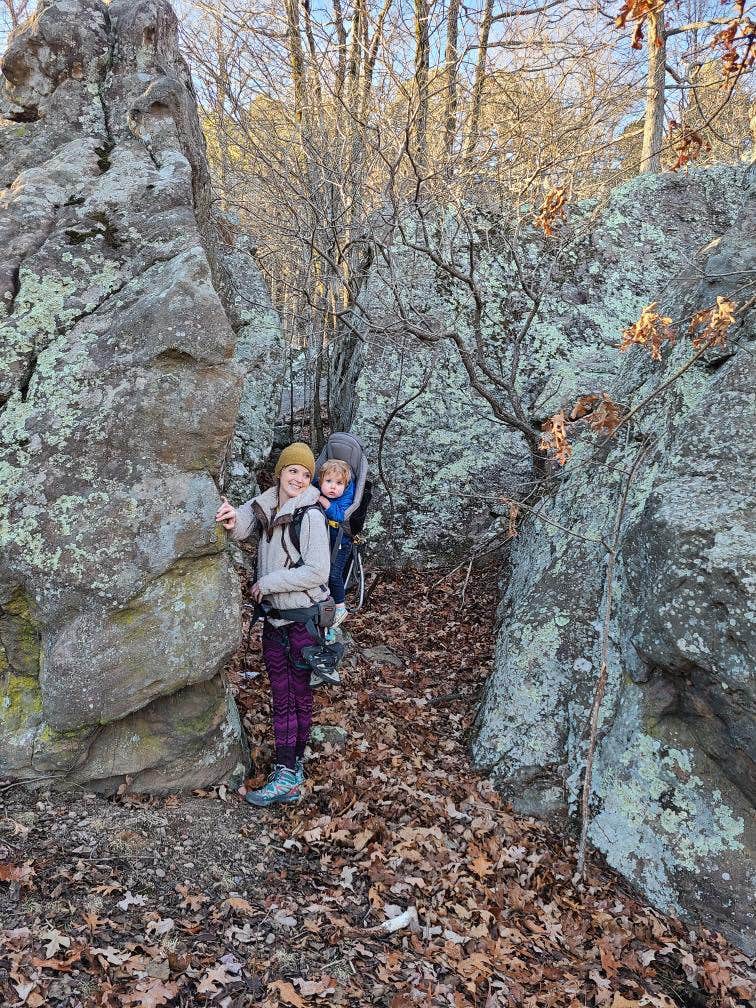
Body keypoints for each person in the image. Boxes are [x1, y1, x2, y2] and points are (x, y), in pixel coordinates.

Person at [215, 442, 330, 807]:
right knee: (284, 694)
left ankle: (288, 773)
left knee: (295, 695)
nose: (298, 478)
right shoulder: (266, 503)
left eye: (306, 474)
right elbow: (242, 524)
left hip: (301, 621)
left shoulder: (310, 515)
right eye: (293, 470)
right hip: (274, 621)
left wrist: (268, 583)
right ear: (280, 472)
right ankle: (289, 770)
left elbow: (317, 572)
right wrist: (229, 518)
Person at [315, 458, 354, 632]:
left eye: (339, 483)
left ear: (345, 486)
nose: (333, 487)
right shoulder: (315, 488)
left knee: (333, 575)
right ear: (321, 481)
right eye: (328, 481)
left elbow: (340, 515)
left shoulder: (345, 496)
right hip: (322, 540)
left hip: (340, 542)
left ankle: (340, 607)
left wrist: (324, 502)